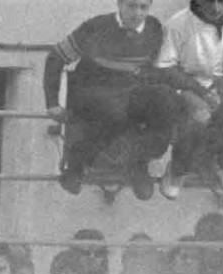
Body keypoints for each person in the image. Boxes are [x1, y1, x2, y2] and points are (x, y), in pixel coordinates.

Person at [46, 0, 175, 201]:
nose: (137, 13)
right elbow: (55, 57)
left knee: (166, 99)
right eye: (132, 6)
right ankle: (77, 163)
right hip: (91, 91)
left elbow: (159, 69)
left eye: (143, 7)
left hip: (129, 93)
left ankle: (138, 161)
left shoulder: (154, 28)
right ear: (120, 4)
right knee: (116, 109)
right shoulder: (96, 27)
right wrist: (52, 103)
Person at [155, 0, 223, 201]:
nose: (215, 7)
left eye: (221, 1)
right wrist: (200, 91)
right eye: (209, 0)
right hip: (187, 86)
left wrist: (220, 88)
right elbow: (166, 67)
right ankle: (178, 168)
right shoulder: (178, 23)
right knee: (199, 116)